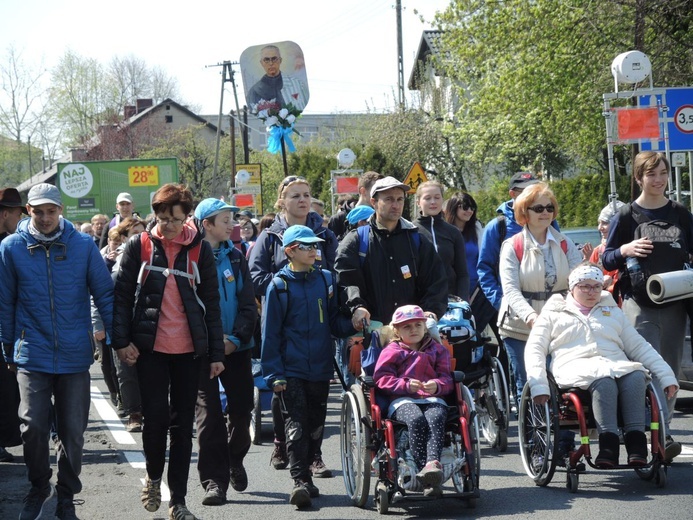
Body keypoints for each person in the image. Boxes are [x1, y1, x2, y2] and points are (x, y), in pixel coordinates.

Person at [0, 183, 114, 520]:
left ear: (61, 210)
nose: (46, 217)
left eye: (51, 211)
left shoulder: (82, 246)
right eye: (39, 211)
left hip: (75, 351)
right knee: (31, 424)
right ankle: (39, 486)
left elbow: (104, 293)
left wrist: (117, 340)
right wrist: (8, 347)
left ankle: (66, 494)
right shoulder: (11, 248)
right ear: (29, 211)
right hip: (30, 350)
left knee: (72, 431)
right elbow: (5, 302)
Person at [112, 183, 225, 520]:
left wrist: (216, 353)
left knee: (182, 425)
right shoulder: (139, 245)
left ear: (187, 216)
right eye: (162, 218)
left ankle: (178, 500)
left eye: (175, 219)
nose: (168, 225)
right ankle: (153, 478)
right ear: (155, 215)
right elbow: (120, 296)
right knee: (156, 420)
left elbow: (213, 305)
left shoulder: (199, 250)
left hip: (190, 350)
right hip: (151, 349)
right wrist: (121, 341)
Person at [525, 263, 679, 468]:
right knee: (604, 381)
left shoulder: (612, 311)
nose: (591, 292)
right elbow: (535, 349)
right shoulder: (553, 313)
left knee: (636, 376)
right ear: (572, 288)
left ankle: (637, 445)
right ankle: (608, 446)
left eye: (596, 286)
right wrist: (539, 386)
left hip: (615, 364)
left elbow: (640, 346)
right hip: (574, 367)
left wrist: (667, 376)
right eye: (585, 286)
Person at [602, 151, 693, 462]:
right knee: (643, 371)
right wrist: (626, 248)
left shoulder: (681, 213)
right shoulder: (626, 216)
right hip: (638, 304)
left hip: (676, 304)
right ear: (639, 178)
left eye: (663, 173)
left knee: (669, 370)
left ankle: (663, 434)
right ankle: (639, 432)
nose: (659, 180)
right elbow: (607, 257)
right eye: (652, 174)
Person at [261, 225, 360, 509]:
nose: (314, 250)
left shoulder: (326, 280)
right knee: (297, 424)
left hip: (320, 367)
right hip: (290, 370)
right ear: (290, 251)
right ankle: (300, 481)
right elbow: (270, 334)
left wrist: (352, 324)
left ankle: (307, 473)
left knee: (316, 424)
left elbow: (333, 322)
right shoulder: (278, 286)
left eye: (315, 246)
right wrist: (273, 373)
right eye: (307, 247)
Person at [248, 175, 338, 476]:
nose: (302, 200)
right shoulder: (270, 236)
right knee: (285, 392)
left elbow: (335, 273)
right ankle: (281, 442)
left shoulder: (324, 233)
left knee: (315, 402)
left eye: (307, 195)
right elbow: (255, 277)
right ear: (282, 201)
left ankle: (314, 456)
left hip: (317, 322)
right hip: (284, 317)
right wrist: (288, 280)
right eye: (296, 195)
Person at [193, 198, 257, 506]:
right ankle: (214, 482)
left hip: (237, 347)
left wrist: (235, 338)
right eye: (226, 220)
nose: (233, 225)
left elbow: (248, 305)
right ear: (207, 225)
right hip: (202, 351)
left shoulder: (236, 256)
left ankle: (234, 458)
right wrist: (213, 344)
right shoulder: (189, 259)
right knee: (210, 417)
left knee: (242, 411)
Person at [497, 182, 581, 404]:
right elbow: (511, 290)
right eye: (539, 208)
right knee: (530, 384)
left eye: (549, 208)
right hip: (520, 328)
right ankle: (534, 438)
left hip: (559, 324)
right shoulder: (512, 246)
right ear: (525, 212)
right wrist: (531, 316)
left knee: (562, 381)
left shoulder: (565, 243)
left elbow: (578, 281)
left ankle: (562, 439)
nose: (545, 213)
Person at [335, 176, 448, 328]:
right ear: (374, 202)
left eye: (399, 199)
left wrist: (430, 311)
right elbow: (345, 281)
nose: (395, 205)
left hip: (412, 335)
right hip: (372, 333)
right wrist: (357, 307)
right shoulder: (356, 240)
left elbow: (436, 280)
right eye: (388, 199)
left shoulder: (417, 240)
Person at [372, 305, 453, 496]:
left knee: (436, 417)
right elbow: (381, 379)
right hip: (402, 400)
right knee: (416, 419)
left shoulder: (437, 350)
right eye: (407, 327)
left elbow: (448, 378)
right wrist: (405, 385)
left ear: (425, 327)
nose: (414, 329)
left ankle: (432, 465)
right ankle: (419, 467)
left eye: (418, 325)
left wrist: (438, 385)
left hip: (432, 398)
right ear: (397, 330)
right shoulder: (392, 350)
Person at [0, 187, 26, 463]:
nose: (20, 217)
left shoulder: (8, 241)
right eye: (18, 212)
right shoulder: (6, 245)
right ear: (6, 213)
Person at [414, 181, 470, 301]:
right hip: (418, 302)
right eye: (427, 198)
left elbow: (462, 273)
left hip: (450, 302)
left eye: (437, 197)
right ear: (418, 202)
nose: (433, 202)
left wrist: (463, 301)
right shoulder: (409, 230)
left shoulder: (453, 232)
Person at [246, 45, 309, 112]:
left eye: (274, 59)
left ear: (280, 60)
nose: (271, 63)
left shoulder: (297, 84)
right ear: (262, 63)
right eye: (266, 60)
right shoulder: (254, 92)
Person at [329, 171, 382, 240]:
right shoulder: (338, 218)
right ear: (363, 191)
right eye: (376, 191)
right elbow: (333, 247)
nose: (380, 195)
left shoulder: (381, 215)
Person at [589, 200, 625, 297]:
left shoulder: (632, 249)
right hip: (605, 306)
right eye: (599, 223)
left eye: (604, 223)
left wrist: (613, 280)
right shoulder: (598, 251)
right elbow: (588, 279)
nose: (600, 227)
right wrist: (600, 280)